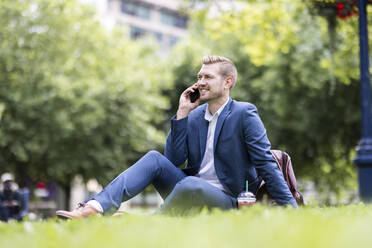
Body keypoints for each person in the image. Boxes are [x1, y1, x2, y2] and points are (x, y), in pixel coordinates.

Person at [56, 55, 297, 219]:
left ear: (228, 82)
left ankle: (149, 221)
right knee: (154, 158)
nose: (200, 82)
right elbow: (172, 162)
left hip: (229, 201)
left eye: (208, 77)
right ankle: (94, 208)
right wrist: (182, 113)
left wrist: (293, 210)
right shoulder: (193, 116)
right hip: (185, 192)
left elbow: (266, 164)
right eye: (199, 76)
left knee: (191, 184)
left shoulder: (244, 113)